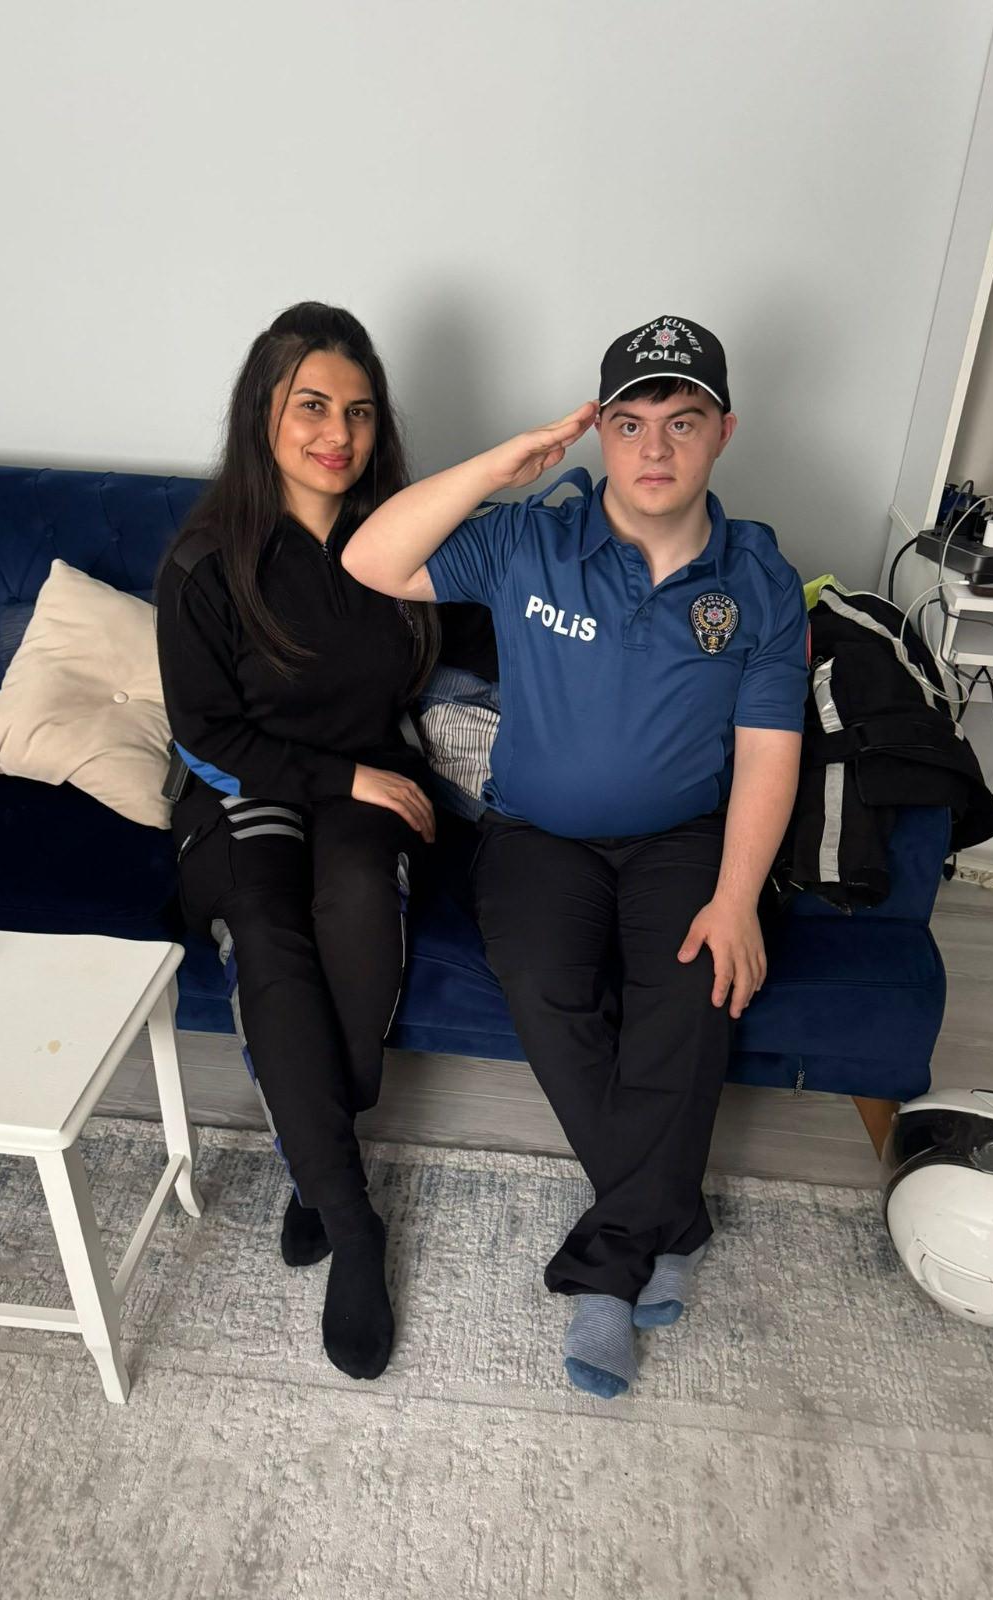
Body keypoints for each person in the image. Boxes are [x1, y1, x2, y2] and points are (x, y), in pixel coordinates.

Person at [342, 315, 808, 1397]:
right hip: (536, 834)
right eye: (630, 423)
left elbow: (769, 751)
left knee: (691, 991)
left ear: (723, 433)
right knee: (545, 983)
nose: (656, 447)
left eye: (682, 422)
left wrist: (738, 896)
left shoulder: (759, 579)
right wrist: (497, 466)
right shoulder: (529, 539)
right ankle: (667, 1219)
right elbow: (370, 559)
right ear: (599, 432)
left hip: (683, 838)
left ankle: (609, 1268)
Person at [156, 301, 441, 1381]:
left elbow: (508, 617)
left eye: (359, 412)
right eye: (312, 405)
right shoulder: (205, 561)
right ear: (262, 412)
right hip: (245, 784)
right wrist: (344, 776)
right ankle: (351, 1218)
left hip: (368, 780)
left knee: (359, 896)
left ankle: (315, 1156)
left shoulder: (398, 544)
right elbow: (205, 734)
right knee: (271, 930)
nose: (338, 433)